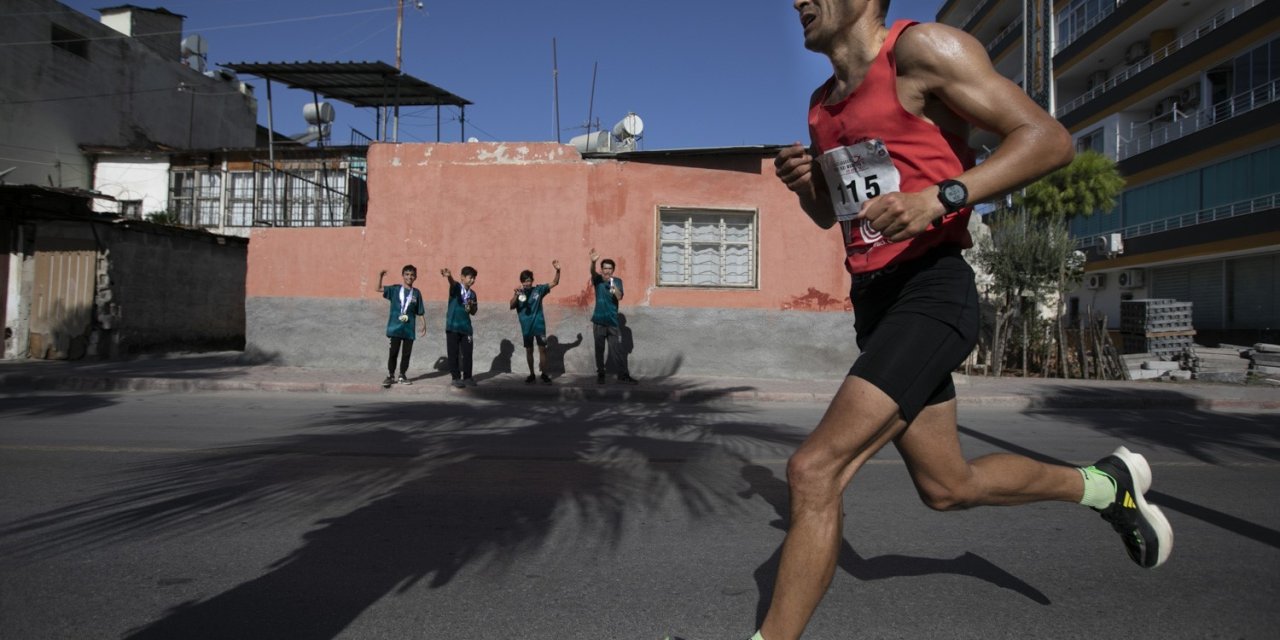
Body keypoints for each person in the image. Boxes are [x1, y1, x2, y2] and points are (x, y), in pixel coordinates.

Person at [757, 2, 1172, 639]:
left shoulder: (921, 52)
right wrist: (806, 185)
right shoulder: (821, 106)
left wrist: (941, 196)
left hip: (932, 290)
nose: (798, 1)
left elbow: (1048, 139)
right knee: (948, 486)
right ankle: (1103, 485)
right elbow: (835, 218)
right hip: (876, 301)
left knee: (813, 472)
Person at [589, 249, 637, 385]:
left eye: (610, 269)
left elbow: (619, 296)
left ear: (613, 270)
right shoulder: (597, 280)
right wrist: (593, 262)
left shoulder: (617, 281)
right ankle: (601, 374)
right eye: (605, 268)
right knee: (599, 349)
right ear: (601, 269)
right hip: (598, 321)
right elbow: (592, 272)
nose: (607, 271)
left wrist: (612, 284)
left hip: (612, 322)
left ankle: (623, 375)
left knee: (617, 349)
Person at [510, 260, 562, 384]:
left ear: (532, 280)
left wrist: (558, 270)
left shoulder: (539, 290)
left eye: (529, 280)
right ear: (521, 282)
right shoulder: (519, 292)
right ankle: (532, 374)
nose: (527, 283)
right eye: (524, 281)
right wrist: (516, 295)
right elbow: (511, 305)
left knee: (542, 349)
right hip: (526, 327)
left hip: (539, 325)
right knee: (529, 350)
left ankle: (544, 374)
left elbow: (555, 282)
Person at [375, 265, 426, 387]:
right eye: (407, 274)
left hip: (409, 329)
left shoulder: (417, 293)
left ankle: (402, 375)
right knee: (393, 352)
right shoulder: (395, 289)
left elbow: (420, 311)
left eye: (412, 275)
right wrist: (380, 276)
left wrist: (424, 325)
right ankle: (390, 375)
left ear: (415, 277)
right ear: (403, 275)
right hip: (395, 328)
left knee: (406, 354)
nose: (409, 277)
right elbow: (378, 288)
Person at [441, 266, 479, 388]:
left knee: (468, 353)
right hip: (452, 326)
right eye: (470, 277)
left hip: (466, 328)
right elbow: (452, 283)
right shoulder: (456, 287)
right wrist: (449, 276)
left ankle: (468, 377)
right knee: (453, 353)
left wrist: (471, 306)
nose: (472, 280)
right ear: (462, 277)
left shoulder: (472, 294)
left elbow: (473, 312)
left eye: (474, 278)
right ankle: (456, 377)